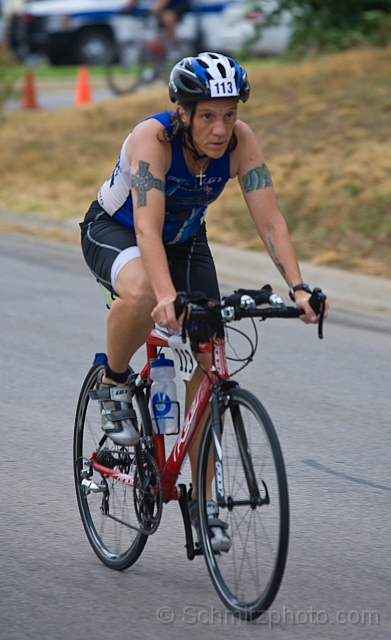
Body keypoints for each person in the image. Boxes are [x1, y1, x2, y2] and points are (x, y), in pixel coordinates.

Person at [80, 51, 327, 551]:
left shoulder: (242, 143)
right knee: (145, 292)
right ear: (184, 112)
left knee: (212, 349)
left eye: (230, 114)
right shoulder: (153, 139)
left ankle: (205, 499)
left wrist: (299, 288)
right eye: (209, 115)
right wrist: (167, 296)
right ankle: (113, 383)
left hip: (187, 240)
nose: (221, 128)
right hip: (117, 229)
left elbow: (270, 221)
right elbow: (146, 227)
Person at [125, 0, 189, 60]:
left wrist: (152, 12)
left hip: (175, 6)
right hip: (155, 11)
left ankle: (175, 48)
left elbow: (158, 7)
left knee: (167, 18)